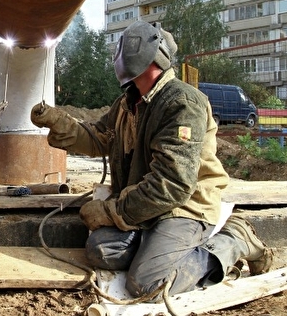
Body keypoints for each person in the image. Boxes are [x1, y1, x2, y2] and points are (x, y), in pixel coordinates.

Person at [30, 20, 273, 298]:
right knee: (102, 251)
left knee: (147, 284)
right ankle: (156, 248)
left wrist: (113, 212)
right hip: (146, 206)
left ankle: (235, 239)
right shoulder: (127, 103)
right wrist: (61, 123)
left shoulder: (182, 103)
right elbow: (100, 137)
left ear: (156, 55)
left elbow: (172, 185)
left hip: (184, 206)